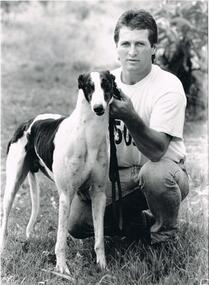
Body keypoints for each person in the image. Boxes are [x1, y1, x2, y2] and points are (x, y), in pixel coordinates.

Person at [68, 9, 189, 245]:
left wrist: (130, 116)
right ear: (116, 48)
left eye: (140, 44)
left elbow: (156, 151)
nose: (132, 52)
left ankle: (164, 237)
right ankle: (139, 224)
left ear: (154, 48)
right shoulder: (103, 82)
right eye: (125, 44)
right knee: (77, 223)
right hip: (118, 174)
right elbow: (82, 137)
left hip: (163, 170)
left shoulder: (168, 85)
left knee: (155, 175)